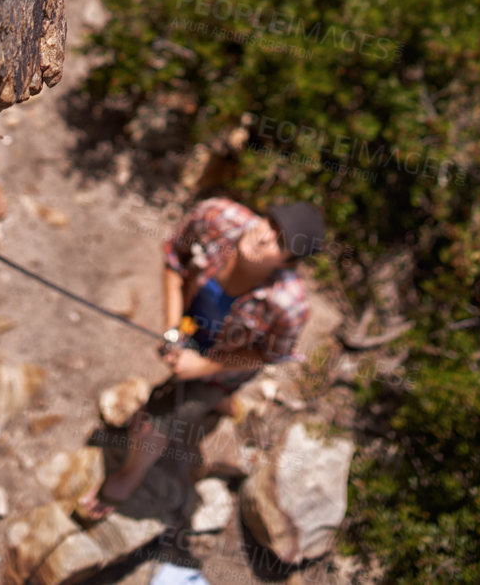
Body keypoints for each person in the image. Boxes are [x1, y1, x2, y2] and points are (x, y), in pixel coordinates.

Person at [77, 197, 327, 521]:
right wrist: (171, 329)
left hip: (227, 363)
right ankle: (216, 402)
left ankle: (130, 476)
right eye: (270, 224)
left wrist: (200, 368)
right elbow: (175, 259)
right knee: (191, 395)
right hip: (190, 328)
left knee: (154, 422)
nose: (264, 237)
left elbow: (266, 354)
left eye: (279, 242)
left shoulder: (289, 304)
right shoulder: (215, 217)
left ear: (287, 262)